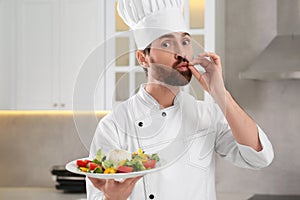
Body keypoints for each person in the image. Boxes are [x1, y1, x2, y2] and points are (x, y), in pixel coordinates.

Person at [86, 0, 274, 199]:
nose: (181, 53)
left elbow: (259, 157)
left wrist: (221, 94)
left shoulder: (207, 114)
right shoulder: (114, 125)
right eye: (167, 44)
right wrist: (113, 197)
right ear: (143, 58)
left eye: (185, 42)